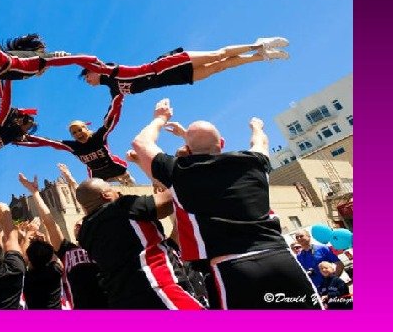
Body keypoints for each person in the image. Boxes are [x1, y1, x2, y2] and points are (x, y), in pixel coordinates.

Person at [130, 98, 321, 309]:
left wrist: (160, 118)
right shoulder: (254, 162)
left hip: (233, 268)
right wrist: (256, 127)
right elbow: (260, 142)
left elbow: (141, 143)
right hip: (280, 256)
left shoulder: (178, 172)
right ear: (222, 143)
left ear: (188, 150)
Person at [73, 177, 204, 310]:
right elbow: (174, 199)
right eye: (113, 189)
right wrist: (165, 180)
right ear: (106, 195)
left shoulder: (85, 233)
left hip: (120, 301)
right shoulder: (122, 207)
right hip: (156, 289)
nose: (118, 192)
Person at [18, 171, 108, 309]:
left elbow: (92, 209)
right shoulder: (68, 251)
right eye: (77, 225)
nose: (78, 225)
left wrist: (71, 181)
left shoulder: (104, 243)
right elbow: (50, 223)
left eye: (82, 222)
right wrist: (35, 193)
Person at [80, 39, 289, 97]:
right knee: (219, 67)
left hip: (164, 66)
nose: (87, 82)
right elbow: (112, 113)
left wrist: (64, 58)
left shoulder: (109, 69)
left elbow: (91, 62)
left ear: (93, 70)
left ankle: (258, 45)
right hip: (172, 80)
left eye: (86, 77)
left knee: (217, 55)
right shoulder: (114, 90)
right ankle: (260, 57)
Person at [19, 94, 135, 185]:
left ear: (86, 128)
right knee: (96, 190)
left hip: (114, 167)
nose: (78, 134)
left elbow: (110, 120)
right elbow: (48, 142)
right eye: (74, 133)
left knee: (131, 185)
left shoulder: (98, 137)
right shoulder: (73, 146)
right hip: (98, 174)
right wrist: (24, 137)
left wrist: (118, 99)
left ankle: (127, 180)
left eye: (80, 130)